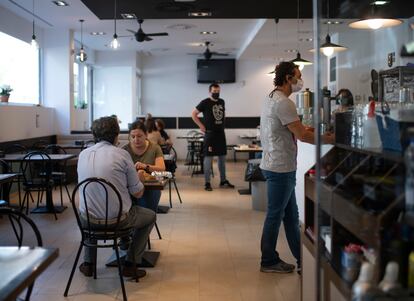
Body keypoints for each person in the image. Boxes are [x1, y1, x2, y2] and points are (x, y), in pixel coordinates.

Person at [259, 62, 334, 274]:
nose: (300, 81)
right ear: (288, 78)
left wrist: (305, 128)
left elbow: (292, 128)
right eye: (298, 76)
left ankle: (302, 259)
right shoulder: (285, 103)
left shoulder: (271, 97)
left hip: (275, 163)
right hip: (280, 167)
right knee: (275, 215)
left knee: (291, 216)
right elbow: (302, 135)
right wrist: (330, 139)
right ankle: (268, 260)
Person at [77, 116, 156, 279]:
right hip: (118, 221)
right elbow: (138, 193)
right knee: (149, 216)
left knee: (90, 206)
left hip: (87, 222)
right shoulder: (122, 155)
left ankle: (88, 264)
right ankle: (130, 263)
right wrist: (139, 179)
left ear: (94, 135)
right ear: (116, 135)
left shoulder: (83, 155)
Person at [191, 83, 234, 191]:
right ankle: (207, 183)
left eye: (218, 91)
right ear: (210, 91)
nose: (216, 93)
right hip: (210, 134)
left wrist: (223, 123)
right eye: (214, 91)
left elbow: (223, 114)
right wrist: (201, 126)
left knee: (222, 158)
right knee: (208, 159)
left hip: (220, 134)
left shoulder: (222, 101)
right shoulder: (205, 102)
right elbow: (193, 114)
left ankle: (223, 181)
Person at [123, 120, 166, 212]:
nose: (136, 139)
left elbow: (162, 169)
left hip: (150, 188)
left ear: (146, 135)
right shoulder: (125, 150)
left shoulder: (154, 148)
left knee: (147, 212)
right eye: (133, 136)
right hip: (129, 188)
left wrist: (145, 166)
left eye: (139, 136)